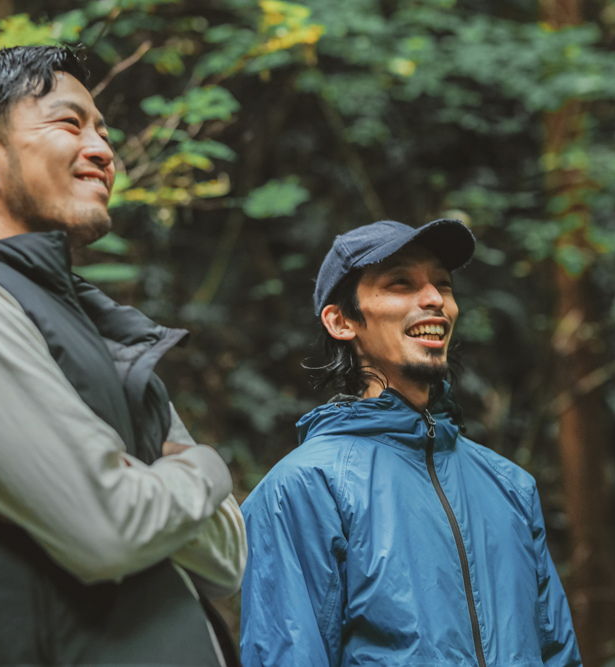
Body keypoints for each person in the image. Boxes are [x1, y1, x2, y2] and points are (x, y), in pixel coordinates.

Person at [0, 46, 245, 667]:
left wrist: (137, 482)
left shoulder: (100, 327)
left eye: (102, 131)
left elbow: (228, 556)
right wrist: (206, 468)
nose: (102, 149)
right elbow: (109, 531)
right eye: (70, 124)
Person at [239, 219, 582, 666]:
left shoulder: (510, 487)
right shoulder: (303, 488)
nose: (434, 300)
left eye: (443, 285)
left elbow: (558, 654)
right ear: (341, 320)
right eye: (401, 283)